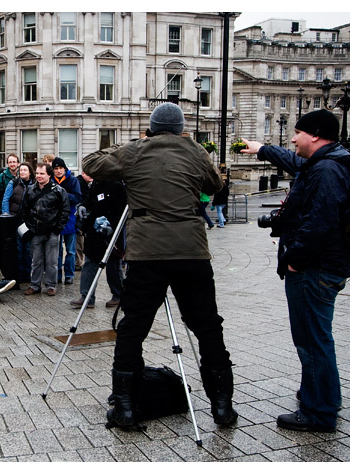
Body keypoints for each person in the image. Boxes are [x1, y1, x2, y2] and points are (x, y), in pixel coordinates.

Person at [83, 102, 237, 430]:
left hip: (147, 255)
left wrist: (128, 143)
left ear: (151, 127)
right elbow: (215, 186)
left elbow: (91, 163)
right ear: (181, 128)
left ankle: (124, 408)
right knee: (208, 327)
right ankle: (223, 407)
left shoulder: (136, 150)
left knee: (132, 330)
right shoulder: (194, 150)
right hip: (191, 252)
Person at [239, 109, 350, 433]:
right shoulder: (328, 162)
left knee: (313, 340)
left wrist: (295, 259)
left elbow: (321, 222)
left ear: (314, 135)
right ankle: (319, 396)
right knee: (315, 337)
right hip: (324, 265)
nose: (292, 138)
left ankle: (319, 412)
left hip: (314, 269)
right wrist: (262, 149)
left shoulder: (327, 169)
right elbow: (295, 161)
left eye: (298, 133)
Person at [70, 178, 126, 309]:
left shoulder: (116, 185)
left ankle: (118, 295)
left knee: (113, 265)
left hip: (110, 234)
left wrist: (113, 226)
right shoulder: (96, 183)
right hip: (94, 232)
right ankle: (87, 297)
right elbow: (89, 198)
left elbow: (122, 211)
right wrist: (83, 205)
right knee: (89, 264)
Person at [20, 162, 70, 296]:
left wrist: (58, 228)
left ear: (49, 174)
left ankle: (51, 285)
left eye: (42, 173)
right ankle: (35, 285)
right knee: (36, 261)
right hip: (35, 232)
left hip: (52, 232)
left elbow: (65, 211)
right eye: (37, 173)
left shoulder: (58, 190)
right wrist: (29, 226)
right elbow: (24, 209)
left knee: (52, 261)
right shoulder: (30, 190)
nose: (38, 176)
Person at [1, 162, 35, 284]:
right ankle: (20, 275)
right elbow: (6, 199)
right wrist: (6, 216)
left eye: (25, 170)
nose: (22, 172)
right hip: (16, 219)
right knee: (19, 249)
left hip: (29, 221)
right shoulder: (14, 183)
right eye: (21, 170)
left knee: (28, 249)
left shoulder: (35, 184)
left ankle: (28, 274)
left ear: (30, 172)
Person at [51, 157, 82, 284]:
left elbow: (78, 197)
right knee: (57, 251)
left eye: (60, 168)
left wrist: (63, 194)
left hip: (69, 220)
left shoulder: (73, 180)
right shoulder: (51, 181)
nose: (58, 171)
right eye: (56, 169)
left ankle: (69, 274)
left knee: (70, 250)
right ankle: (57, 275)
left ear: (65, 168)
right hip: (55, 220)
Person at [75, 171, 93, 270]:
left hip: (83, 217)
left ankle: (79, 261)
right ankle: (78, 262)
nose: (91, 175)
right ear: (83, 173)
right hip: (79, 217)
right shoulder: (80, 183)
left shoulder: (87, 184)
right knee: (79, 239)